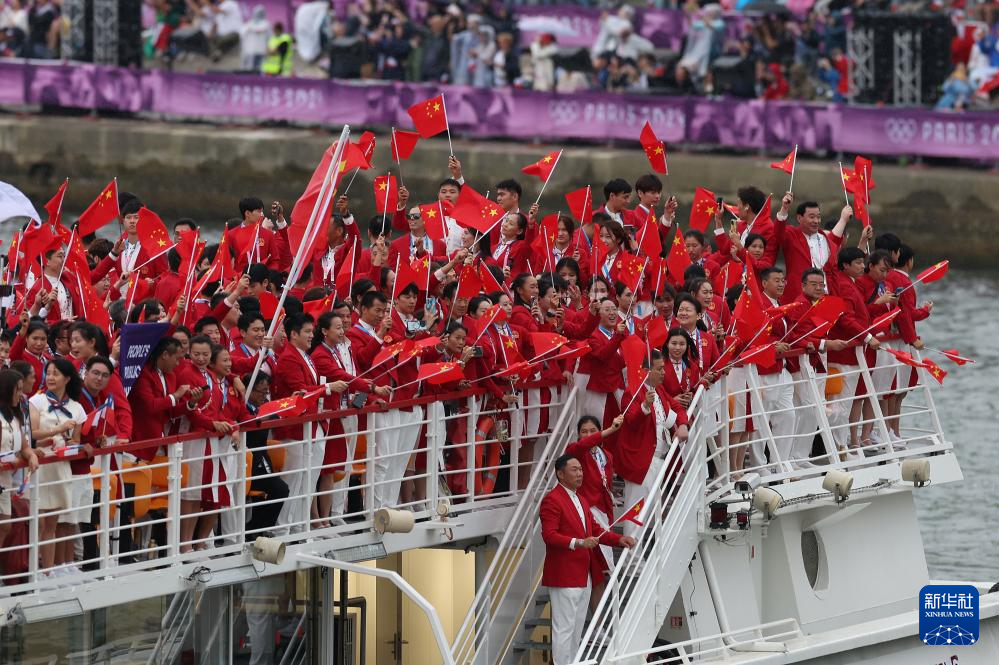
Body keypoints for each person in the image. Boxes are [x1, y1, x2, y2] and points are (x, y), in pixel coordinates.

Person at [540, 454, 633, 665]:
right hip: (564, 575)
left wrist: (620, 539)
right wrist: (578, 542)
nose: (580, 473)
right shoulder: (552, 500)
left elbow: (597, 531)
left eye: (581, 469)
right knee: (564, 629)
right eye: (574, 470)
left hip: (583, 575)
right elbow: (549, 535)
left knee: (575, 628)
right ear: (560, 474)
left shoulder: (581, 499)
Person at [618, 350, 688, 538]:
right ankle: (632, 559)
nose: (664, 372)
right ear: (646, 371)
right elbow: (630, 420)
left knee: (655, 509)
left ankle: (653, 554)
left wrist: (682, 424)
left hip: (658, 458)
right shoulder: (632, 392)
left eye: (663, 368)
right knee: (636, 510)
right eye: (659, 369)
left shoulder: (660, 391)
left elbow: (677, 407)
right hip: (641, 461)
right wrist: (644, 407)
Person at [29, 358, 87, 577]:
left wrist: (73, 443)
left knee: (52, 523)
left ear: (68, 378)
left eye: (56, 373)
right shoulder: (37, 401)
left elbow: (76, 441)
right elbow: (32, 434)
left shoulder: (77, 408)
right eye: (48, 373)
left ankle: (48, 571)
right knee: (37, 521)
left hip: (60, 467)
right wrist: (57, 430)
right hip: (40, 465)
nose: (51, 377)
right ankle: (33, 569)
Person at [564, 414, 624, 612]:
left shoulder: (607, 456)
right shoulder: (575, 452)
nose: (588, 435)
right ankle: (596, 626)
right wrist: (607, 431)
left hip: (604, 514)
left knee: (601, 574)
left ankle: (600, 625)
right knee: (597, 571)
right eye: (584, 432)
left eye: (593, 430)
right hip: (585, 516)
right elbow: (583, 446)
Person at [0, 369, 37, 551]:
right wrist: (9, 462)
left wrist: (31, 456)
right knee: (3, 526)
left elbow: (24, 446)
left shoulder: (14, 418)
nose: (21, 394)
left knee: (5, 526)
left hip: (6, 481)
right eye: (18, 390)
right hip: (2, 477)